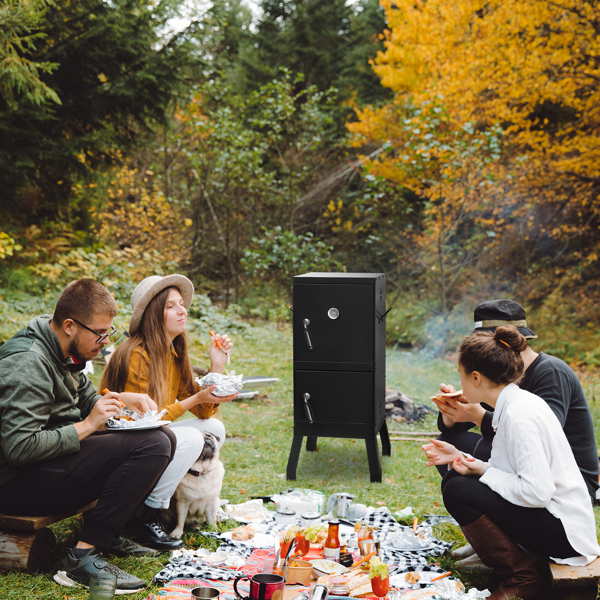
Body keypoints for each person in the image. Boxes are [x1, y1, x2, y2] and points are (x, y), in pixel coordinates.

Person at [0, 279, 177, 593]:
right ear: (70, 325)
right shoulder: (28, 363)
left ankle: (103, 534)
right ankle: (81, 558)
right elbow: (19, 448)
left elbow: (82, 397)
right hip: (15, 483)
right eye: (100, 333)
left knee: (162, 438)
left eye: (108, 332)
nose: (105, 342)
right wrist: (88, 425)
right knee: (154, 445)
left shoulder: (60, 346)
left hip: (45, 466)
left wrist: (120, 398)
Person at [422, 326, 600, 600]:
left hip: (565, 532)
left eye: (461, 376)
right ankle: (515, 570)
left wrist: (481, 472)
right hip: (555, 518)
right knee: (458, 482)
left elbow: (536, 492)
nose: (460, 382)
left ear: (477, 378)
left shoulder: (518, 416)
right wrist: (461, 457)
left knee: (458, 489)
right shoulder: (513, 402)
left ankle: (522, 578)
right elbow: (508, 470)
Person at [101, 274, 237, 550]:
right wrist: (195, 398)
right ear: (153, 314)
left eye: (181, 304)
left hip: (150, 439)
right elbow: (144, 422)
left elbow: (203, 409)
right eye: (171, 306)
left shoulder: (174, 351)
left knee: (213, 429)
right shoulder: (136, 354)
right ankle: (150, 515)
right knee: (191, 439)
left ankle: (186, 498)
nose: (182, 309)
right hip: (118, 447)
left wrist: (217, 367)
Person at [433, 299, 599, 504]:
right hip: (526, 462)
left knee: (484, 449)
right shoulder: (498, 371)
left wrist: (478, 416)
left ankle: (491, 513)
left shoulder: (551, 372)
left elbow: (541, 435)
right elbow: (460, 425)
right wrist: (450, 410)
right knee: (448, 443)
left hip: (567, 478)